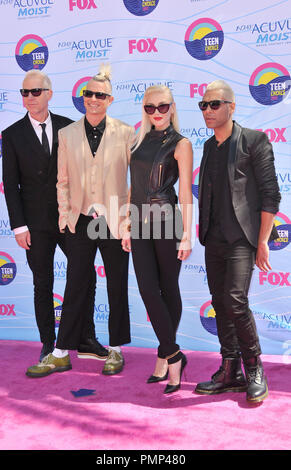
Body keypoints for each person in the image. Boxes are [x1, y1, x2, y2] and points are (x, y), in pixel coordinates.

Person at [26, 64, 135, 378]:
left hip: (114, 220)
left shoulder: (126, 133)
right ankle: (60, 352)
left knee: (117, 285)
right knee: (75, 284)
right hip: (81, 221)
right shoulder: (67, 133)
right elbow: (62, 181)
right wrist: (65, 216)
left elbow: (136, 181)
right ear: (83, 97)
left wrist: (127, 219)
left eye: (100, 95)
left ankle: (116, 350)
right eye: (88, 94)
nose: (93, 99)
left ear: (110, 100)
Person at [195, 80, 281, 404]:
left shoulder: (254, 142)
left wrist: (262, 242)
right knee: (219, 303)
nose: (208, 110)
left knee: (235, 300)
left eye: (214, 104)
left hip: (242, 239)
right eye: (203, 105)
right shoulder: (207, 146)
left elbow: (271, 195)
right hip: (213, 239)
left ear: (232, 107)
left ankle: (254, 367)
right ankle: (229, 370)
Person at [122, 85, 193, 394]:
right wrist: (125, 223)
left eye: (162, 107)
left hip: (167, 223)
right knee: (148, 290)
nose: (157, 113)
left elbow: (187, 193)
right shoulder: (137, 142)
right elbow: (132, 187)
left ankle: (165, 356)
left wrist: (187, 235)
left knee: (167, 289)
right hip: (138, 223)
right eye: (150, 108)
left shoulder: (181, 143)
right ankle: (173, 353)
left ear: (172, 108)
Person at [2, 70, 73, 362]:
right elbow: (10, 184)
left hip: (69, 220)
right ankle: (48, 342)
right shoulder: (12, 135)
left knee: (82, 278)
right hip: (34, 224)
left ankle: (80, 336)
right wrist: (19, 226)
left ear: (49, 93)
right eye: (24, 92)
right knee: (42, 284)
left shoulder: (70, 128)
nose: (29, 97)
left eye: (35, 91)